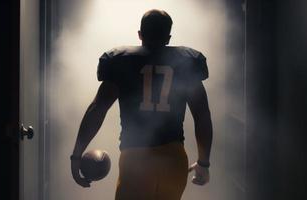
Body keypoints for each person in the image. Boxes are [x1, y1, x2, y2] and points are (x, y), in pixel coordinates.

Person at [71, 9, 213, 200]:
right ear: (168, 38)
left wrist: (76, 155)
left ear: (140, 34)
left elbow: (98, 109)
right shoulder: (186, 62)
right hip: (173, 159)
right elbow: (201, 115)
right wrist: (204, 162)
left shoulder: (121, 61)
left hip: (136, 158)